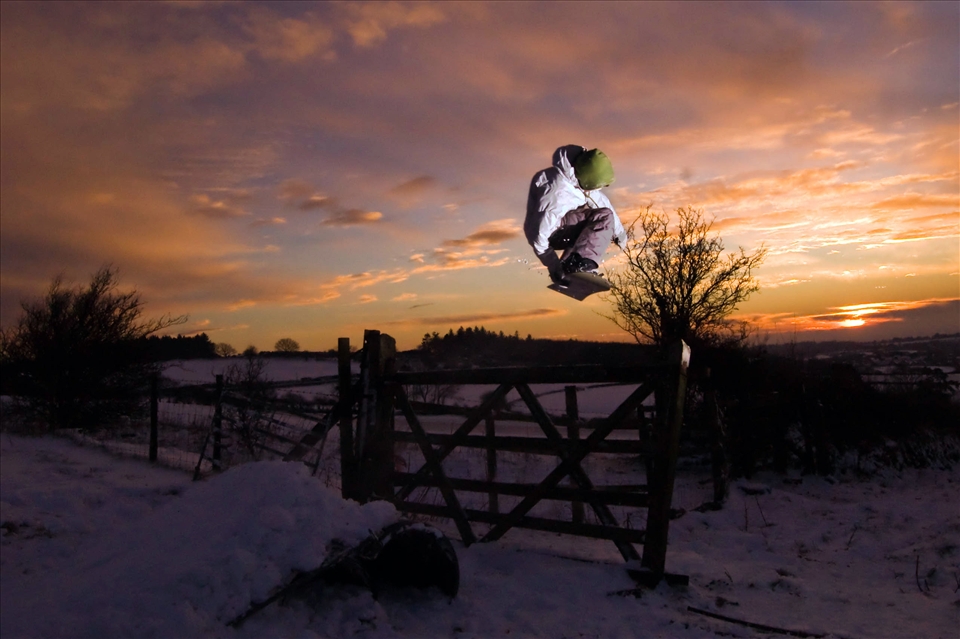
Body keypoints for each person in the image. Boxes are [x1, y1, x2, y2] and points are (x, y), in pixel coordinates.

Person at [524, 145, 628, 284]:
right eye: (592, 187)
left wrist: (619, 233)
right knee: (602, 218)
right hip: (549, 234)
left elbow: (601, 202)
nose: (592, 191)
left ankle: (571, 265)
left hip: (560, 224)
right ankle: (578, 266)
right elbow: (538, 236)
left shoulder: (577, 174)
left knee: (602, 216)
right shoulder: (557, 195)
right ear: (586, 182)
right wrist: (553, 266)